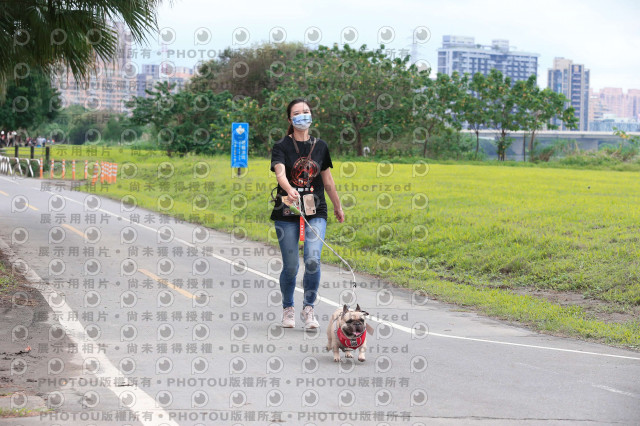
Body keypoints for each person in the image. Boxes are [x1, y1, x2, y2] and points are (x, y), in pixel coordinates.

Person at [270, 98, 344, 329]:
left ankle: (309, 308)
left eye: (306, 111)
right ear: (289, 119)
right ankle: (288, 308)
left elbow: (328, 181)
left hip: (316, 210)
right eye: (297, 113)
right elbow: (280, 173)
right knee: (291, 265)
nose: (303, 115)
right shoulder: (281, 146)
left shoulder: (320, 146)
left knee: (312, 259)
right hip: (287, 209)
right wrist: (289, 189)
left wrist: (337, 206)